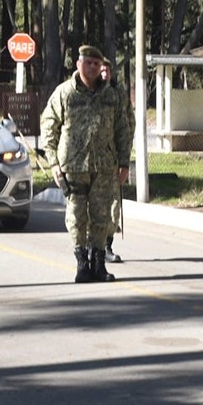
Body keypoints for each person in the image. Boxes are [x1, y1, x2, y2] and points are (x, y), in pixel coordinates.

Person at [40, 44, 133, 283]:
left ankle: (99, 264)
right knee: (76, 215)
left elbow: (123, 129)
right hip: (73, 166)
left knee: (102, 217)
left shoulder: (111, 96)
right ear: (78, 64)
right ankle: (82, 264)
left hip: (104, 166)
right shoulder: (65, 93)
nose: (92, 67)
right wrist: (53, 164)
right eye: (88, 62)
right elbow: (48, 126)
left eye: (96, 63)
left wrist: (124, 163)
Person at [100, 57, 131, 265]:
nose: (103, 74)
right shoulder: (83, 94)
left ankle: (107, 246)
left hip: (111, 161)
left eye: (106, 71)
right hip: (87, 164)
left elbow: (127, 126)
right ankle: (90, 248)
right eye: (101, 71)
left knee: (113, 206)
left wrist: (124, 161)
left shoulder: (118, 94)